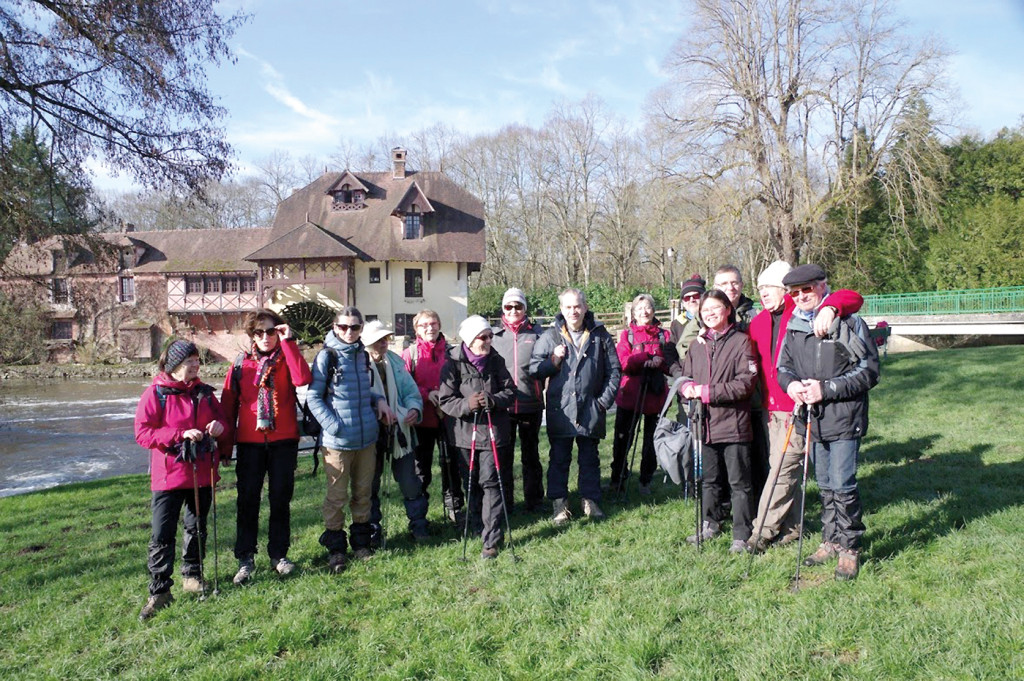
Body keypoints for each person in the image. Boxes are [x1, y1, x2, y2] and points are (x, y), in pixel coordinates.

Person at [746, 262, 864, 553]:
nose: (764, 294)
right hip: (779, 409)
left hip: (815, 412)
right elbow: (780, 367)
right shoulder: (762, 321)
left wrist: (832, 306)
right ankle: (804, 531)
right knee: (806, 476)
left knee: (790, 472)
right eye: (760, 289)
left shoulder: (809, 314)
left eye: (769, 288)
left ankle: (762, 532)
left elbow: (852, 298)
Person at [777, 264, 879, 580]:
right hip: (814, 420)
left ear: (823, 286)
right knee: (824, 485)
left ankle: (850, 549)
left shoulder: (849, 321)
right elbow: (783, 369)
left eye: (806, 289)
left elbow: (869, 372)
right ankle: (831, 541)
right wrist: (791, 386)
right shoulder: (794, 326)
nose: (800, 296)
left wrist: (826, 389)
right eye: (794, 293)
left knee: (843, 484)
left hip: (845, 418)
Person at [134, 340, 229, 621]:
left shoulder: (206, 394)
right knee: (162, 536)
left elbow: (222, 424)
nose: (196, 366)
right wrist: (179, 434)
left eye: (197, 361)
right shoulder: (155, 394)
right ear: (175, 366)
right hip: (168, 477)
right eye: (190, 362)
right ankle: (160, 590)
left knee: (197, 527)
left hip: (201, 472)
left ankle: (193, 575)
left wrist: (219, 428)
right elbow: (142, 434)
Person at [220, 309, 312, 585]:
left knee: (280, 500)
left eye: (270, 331)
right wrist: (225, 448)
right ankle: (245, 558)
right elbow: (228, 408)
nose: (265, 337)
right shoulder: (240, 365)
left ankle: (278, 555)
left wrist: (290, 342)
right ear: (251, 336)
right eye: (258, 332)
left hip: (283, 441)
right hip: (250, 444)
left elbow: (302, 379)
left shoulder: (286, 359)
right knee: (247, 501)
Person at [306, 307, 394, 574]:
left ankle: (360, 544)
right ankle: (336, 549)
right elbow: (313, 397)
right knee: (336, 497)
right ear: (334, 327)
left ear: (361, 330)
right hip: (338, 442)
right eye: (343, 327)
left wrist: (378, 401)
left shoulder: (362, 356)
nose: (348, 332)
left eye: (354, 327)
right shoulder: (326, 357)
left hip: (366, 438)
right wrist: (334, 426)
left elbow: (364, 391)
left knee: (363, 494)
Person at [530, 288, 621, 524]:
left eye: (577, 306)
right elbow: (534, 369)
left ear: (585, 307)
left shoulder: (600, 335)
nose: (573, 311)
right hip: (561, 409)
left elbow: (614, 371)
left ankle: (590, 500)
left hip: (590, 407)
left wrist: (602, 403)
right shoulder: (550, 336)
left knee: (589, 457)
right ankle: (559, 504)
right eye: (568, 307)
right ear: (561, 309)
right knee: (559, 458)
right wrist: (553, 361)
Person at [679, 290, 758, 553]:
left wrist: (707, 392)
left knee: (739, 483)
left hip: (733, 424)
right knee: (708, 479)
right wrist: (686, 387)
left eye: (715, 308)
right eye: (705, 310)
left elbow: (745, 384)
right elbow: (686, 376)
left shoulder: (742, 341)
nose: (710, 314)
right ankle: (709, 523)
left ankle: (742, 532)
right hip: (704, 424)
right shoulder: (697, 345)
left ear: (727, 309)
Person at [438, 316, 516, 559]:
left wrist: (494, 400)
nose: (488, 341)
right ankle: (476, 526)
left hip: (494, 432)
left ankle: (491, 539)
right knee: (471, 483)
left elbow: (511, 392)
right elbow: (445, 400)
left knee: (491, 483)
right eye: (483, 337)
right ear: (470, 340)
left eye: (490, 336)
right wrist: (467, 404)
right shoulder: (452, 364)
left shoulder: (496, 360)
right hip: (464, 436)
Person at [361, 320, 430, 544]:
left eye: (385, 339)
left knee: (410, 481)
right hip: (371, 433)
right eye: (379, 340)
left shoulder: (396, 362)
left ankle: (419, 525)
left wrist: (413, 409)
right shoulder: (359, 364)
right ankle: (372, 530)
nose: (383, 343)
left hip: (400, 431)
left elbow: (411, 392)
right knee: (370, 484)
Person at [609, 293, 679, 496]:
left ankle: (646, 480)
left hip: (656, 397)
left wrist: (659, 362)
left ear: (654, 311)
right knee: (623, 441)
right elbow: (624, 362)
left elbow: (670, 363)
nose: (644, 312)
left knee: (651, 441)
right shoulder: (627, 335)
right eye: (639, 309)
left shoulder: (663, 336)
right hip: (630, 396)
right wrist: (645, 358)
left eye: (647, 307)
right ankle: (618, 480)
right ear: (633, 313)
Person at [402, 309, 464, 523]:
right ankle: (420, 516)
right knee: (421, 470)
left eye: (434, 323)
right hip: (421, 421)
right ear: (416, 329)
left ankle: (455, 508)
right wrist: (427, 395)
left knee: (451, 466)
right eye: (424, 325)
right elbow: (404, 386)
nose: (430, 328)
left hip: (449, 419)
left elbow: (461, 382)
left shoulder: (452, 352)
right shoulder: (410, 354)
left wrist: (445, 397)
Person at [490, 287, 545, 512]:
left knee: (531, 455)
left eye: (518, 306)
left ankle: (534, 501)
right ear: (503, 308)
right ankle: (506, 503)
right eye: (509, 306)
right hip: (503, 407)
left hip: (530, 404)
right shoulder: (493, 336)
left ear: (525, 309)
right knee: (503, 457)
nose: (513, 310)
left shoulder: (537, 334)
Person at [670, 274, 706, 361]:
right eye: (687, 298)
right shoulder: (676, 324)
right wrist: (677, 373)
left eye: (696, 296)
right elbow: (671, 354)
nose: (691, 300)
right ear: (682, 302)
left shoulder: (713, 320)